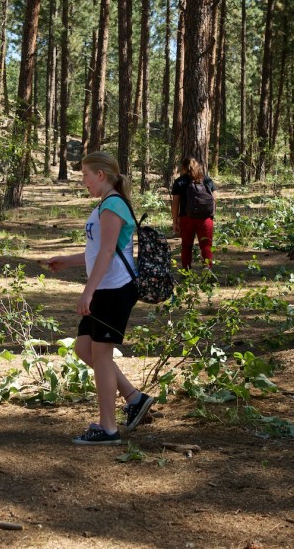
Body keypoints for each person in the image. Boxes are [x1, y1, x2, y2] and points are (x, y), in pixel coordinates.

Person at [46, 151, 155, 445]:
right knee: (85, 349)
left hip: (114, 289)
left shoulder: (114, 204)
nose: (83, 181)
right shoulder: (105, 205)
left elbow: (108, 253)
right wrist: (67, 261)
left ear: (101, 175)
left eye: (85, 175)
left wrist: (88, 292)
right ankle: (134, 398)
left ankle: (108, 428)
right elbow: (98, 251)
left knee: (102, 356)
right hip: (105, 287)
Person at [170, 156, 217, 270]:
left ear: (184, 168)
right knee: (206, 245)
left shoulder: (180, 182)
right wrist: (211, 216)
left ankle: (186, 270)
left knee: (186, 245)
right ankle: (207, 269)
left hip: (186, 218)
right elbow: (214, 199)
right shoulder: (206, 180)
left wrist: (175, 221)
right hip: (205, 218)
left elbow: (175, 203)